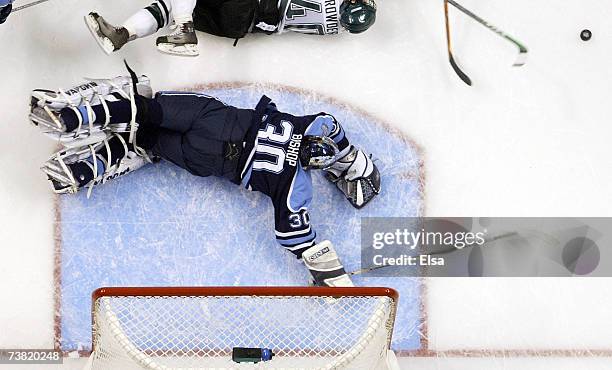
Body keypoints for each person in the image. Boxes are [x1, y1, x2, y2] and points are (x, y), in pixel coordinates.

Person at [29, 70, 381, 287]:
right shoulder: (294, 186)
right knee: (148, 142)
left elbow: (331, 126)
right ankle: (86, 166)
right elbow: (292, 234)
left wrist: (350, 160)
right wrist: (323, 268)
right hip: (211, 158)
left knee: (148, 109)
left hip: (214, 118)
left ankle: (79, 115)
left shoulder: (310, 126)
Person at [85, 0, 377, 56]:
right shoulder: (333, 27)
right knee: (171, 6)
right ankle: (120, 36)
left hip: (247, 5)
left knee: (180, 10)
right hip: (239, 27)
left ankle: (184, 28)